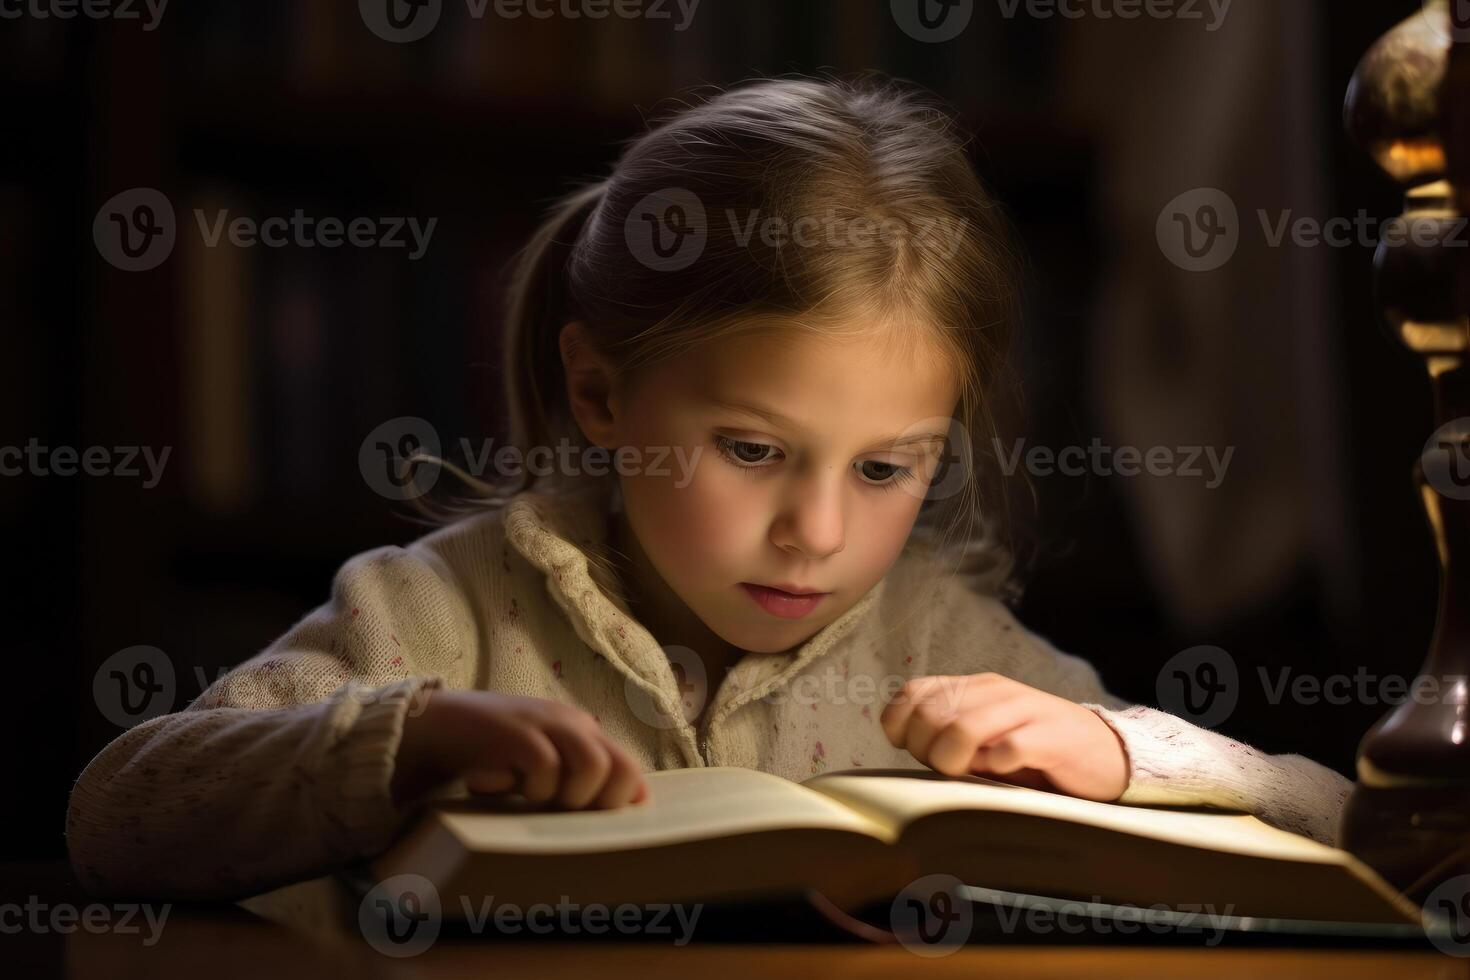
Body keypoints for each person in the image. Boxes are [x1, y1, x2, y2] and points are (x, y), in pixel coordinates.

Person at [66, 75, 1349, 901]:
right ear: (602, 393)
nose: (820, 532)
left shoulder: (950, 642)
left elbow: (1343, 820)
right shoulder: (438, 612)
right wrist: (402, 743)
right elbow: (120, 814)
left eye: (889, 466)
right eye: (751, 448)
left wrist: (1117, 749)